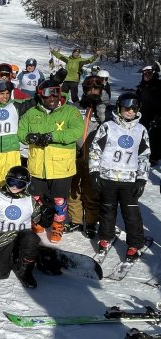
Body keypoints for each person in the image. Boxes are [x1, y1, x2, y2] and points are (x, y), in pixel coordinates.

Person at [17, 79, 84, 243]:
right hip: (37, 165)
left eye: (56, 91)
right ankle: (39, 220)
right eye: (48, 93)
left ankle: (57, 225)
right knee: (36, 197)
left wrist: (52, 136)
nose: (53, 96)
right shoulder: (32, 112)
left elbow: (77, 131)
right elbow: (21, 132)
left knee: (59, 199)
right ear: (40, 95)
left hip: (62, 166)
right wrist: (29, 137)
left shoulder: (70, 111)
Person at [89, 92, 150, 260]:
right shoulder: (108, 127)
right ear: (119, 108)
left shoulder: (141, 130)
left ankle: (135, 243)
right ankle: (105, 237)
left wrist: (142, 178)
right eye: (126, 108)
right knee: (107, 210)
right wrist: (94, 172)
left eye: (133, 109)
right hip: (107, 177)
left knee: (131, 213)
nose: (129, 112)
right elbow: (95, 150)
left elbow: (144, 156)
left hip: (129, 180)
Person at [0, 166, 54, 288]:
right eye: (12, 182)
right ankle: (13, 257)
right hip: (2, 239)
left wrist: (47, 214)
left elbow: (40, 221)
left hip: (22, 237)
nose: (15, 187)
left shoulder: (29, 200)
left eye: (20, 184)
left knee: (31, 238)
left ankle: (25, 271)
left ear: (26, 185)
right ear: (7, 180)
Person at [65, 76, 106, 238]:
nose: (92, 92)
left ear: (101, 91)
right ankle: (75, 221)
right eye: (89, 89)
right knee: (73, 189)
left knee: (91, 191)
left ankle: (90, 222)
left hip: (94, 157)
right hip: (74, 153)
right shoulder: (75, 107)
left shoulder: (105, 109)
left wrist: (100, 109)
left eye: (96, 89)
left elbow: (109, 127)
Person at [136, 65, 161, 165]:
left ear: (153, 73)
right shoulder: (141, 87)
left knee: (155, 136)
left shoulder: (159, 85)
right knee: (142, 134)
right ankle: (141, 153)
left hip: (157, 115)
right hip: (143, 114)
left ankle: (154, 157)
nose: (147, 75)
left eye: (149, 73)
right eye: (145, 73)